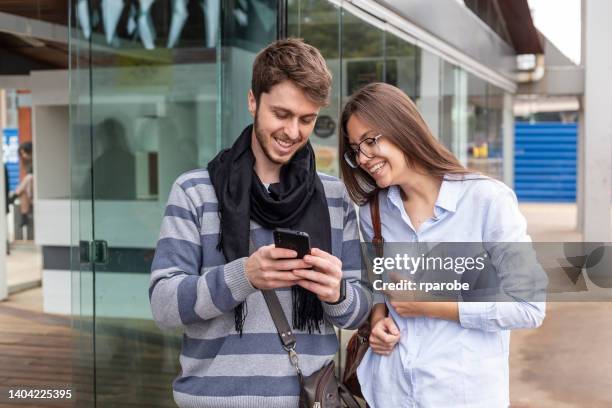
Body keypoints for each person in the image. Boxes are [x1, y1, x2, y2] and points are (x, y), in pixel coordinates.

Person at [149, 38, 371, 408]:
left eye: (307, 119)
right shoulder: (194, 191)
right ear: (253, 101)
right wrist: (244, 276)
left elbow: (361, 307)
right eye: (281, 114)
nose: (293, 132)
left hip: (309, 400)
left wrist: (338, 293)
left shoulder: (335, 197)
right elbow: (163, 305)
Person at [339, 82, 546, 408]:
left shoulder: (486, 200)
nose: (363, 158)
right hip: (390, 393)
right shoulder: (374, 212)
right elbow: (381, 284)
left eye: (370, 141)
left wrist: (428, 304)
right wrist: (378, 318)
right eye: (355, 150)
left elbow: (529, 307)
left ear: (401, 127)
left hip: (463, 394)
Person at [9, 142, 34, 228]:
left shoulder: (37, 161)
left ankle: (14, 195)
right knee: (22, 193)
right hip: (29, 191)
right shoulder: (27, 164)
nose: (23, 155)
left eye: (25, 152)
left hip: (37, 190)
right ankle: (24, 217)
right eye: (21, 153)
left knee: (29, 177)